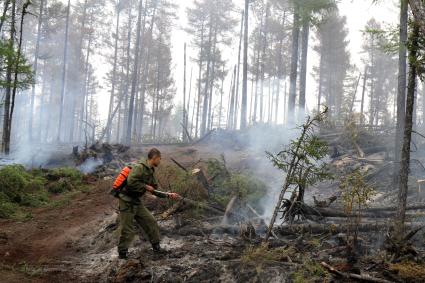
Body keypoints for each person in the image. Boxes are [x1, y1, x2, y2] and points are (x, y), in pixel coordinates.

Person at [117, 148, 180, 259]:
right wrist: (145, 186)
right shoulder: (139, 167)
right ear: (154, 158)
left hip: (136, 201)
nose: (160, 161)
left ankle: (156, 248)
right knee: (127, 229)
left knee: (151, 221)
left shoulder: (150, 170)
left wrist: (168, 195)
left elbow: (154, 190)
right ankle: (122, 255)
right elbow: (131, 182)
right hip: (126, 201)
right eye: (159, 159)